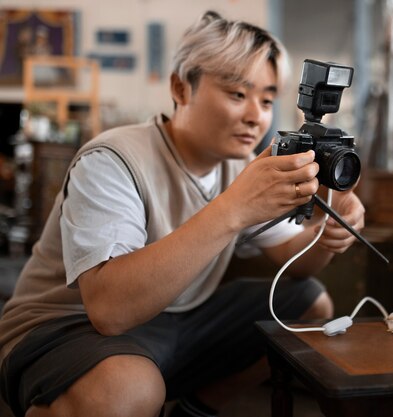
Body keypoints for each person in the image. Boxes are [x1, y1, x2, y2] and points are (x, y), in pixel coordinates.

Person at [0, 10, 365, 417]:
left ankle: (193, 410)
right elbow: (109, 310)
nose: (255, 116)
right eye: (237, 94)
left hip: (175, 317)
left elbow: (294, 263)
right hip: (65, 325)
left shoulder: (240, 166)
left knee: (309, 305)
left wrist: (329, 232)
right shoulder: (113, 158)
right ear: (180, 87)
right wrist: (234, 207)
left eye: (266, 100)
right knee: (127, 390)